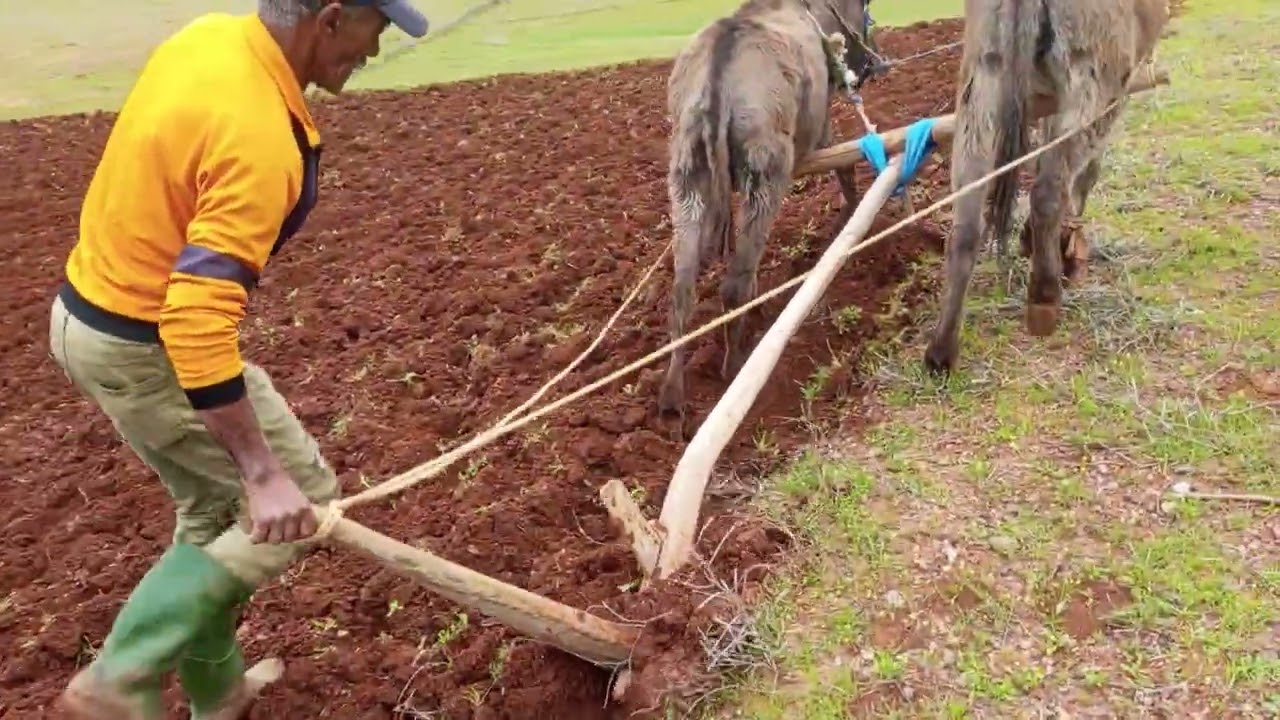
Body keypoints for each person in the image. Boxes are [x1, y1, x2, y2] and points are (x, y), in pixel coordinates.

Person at [47, 1, 428, 718]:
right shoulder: (256, 135)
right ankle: (116, 683)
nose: (375, 50)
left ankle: (214, 692)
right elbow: (195, 318)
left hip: (88, 313)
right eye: (377, 29)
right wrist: (264, 472)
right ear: (332, 18)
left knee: (212, 513)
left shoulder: (215, 39)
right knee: (303, 495)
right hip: (144, 343)